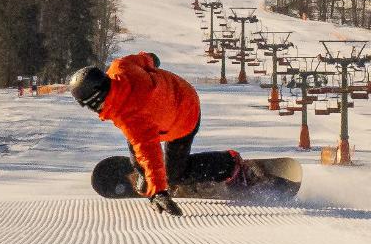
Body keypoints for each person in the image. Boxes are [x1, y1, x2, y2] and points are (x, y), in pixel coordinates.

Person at [70, 52, 242, 216]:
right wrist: (151, 59)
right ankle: (144, 174)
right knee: (139, 153)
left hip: (183, 120)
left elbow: (150, 153)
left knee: (173, 174)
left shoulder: (132, 116)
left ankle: (229, 164)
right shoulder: (120, 67)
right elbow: (146, 59)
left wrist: (158, 192)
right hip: (180, 92)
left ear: (95, 101)